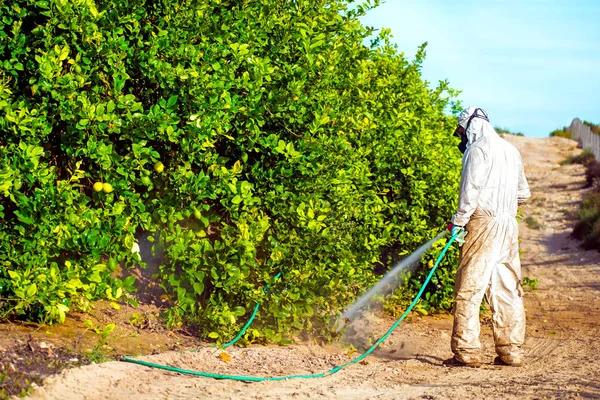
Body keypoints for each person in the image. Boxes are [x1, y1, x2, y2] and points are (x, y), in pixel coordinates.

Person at [444, 106, 531, 368]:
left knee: (469, 287)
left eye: (461, 131)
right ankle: (511, 352)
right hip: (508, 225)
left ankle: (467, 352)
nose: (461, 138)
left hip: (483, 223)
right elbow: (524, 194)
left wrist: (458, 223)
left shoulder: (478, 149)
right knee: (507, 289)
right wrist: (506, 208)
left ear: (470, 126)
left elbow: (469, 193)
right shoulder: (511, 149)